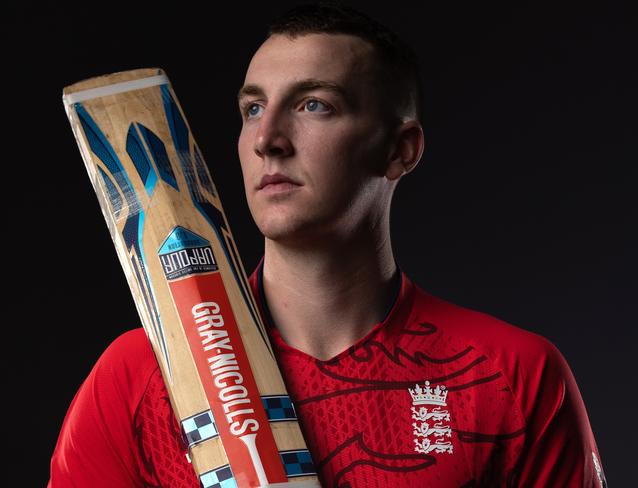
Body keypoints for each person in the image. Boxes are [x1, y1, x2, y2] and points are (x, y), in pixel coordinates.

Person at [49, 2, 607, 487]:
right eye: (252, 109)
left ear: (400, 150)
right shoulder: (140, 375)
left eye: (314, 104)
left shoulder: (509, 374)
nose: (268, 140)